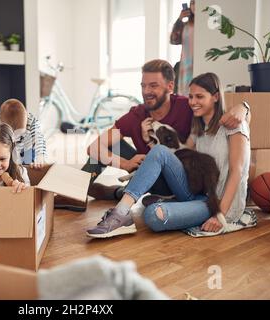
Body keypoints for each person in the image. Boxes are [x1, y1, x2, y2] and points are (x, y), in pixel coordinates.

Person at [54, 59, 249, 212]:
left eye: (153, 85)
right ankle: (75, 194)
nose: (147, 91)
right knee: (111, 146)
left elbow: (221, 108)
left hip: (181, 180)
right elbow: (94, 148)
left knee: (158, 156)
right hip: (149, 176)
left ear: (170, 86)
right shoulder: (135, 115)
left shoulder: (188, 106)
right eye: (143, 85)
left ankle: (117, 193)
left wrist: (245, 108)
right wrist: (125, 163)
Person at [86, 72, 251, 238]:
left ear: (215, 97)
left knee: (152, 215)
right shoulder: (197, 128)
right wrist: (149, 141)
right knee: (158, 151)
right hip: (194, 193)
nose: (193, 102)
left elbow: (237, 171)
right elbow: (179, 156)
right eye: (191, 97)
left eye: (199, 97)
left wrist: (219, 214)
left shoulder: (234, 125)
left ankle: (155, 202)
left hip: (216, 203)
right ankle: (120, 212)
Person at [0, 99, 47, 169]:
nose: (17, 138)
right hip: (9, 148)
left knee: (31, 161)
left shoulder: (31, 121)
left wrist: (40, 157)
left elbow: (38, 139)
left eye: (20, 133)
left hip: (27, 147)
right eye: (13, 135)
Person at [170, 0, 195, 96]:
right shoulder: (186, 25)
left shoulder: (206, 24)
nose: (194, 6)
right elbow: (174, 40)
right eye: (192, 3)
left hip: (200, 61)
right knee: (184, 93)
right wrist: (180, 19)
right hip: (186, 63)